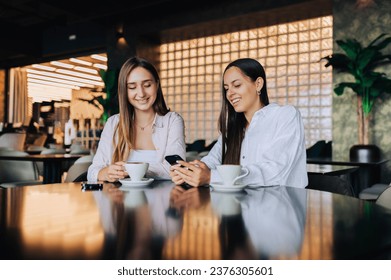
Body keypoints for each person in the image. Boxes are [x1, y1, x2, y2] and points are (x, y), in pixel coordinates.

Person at [170, 58, 308, 188]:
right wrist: (189, 172)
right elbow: (212, 160)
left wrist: (212, 177)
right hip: (240, 207)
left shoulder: (285, 115)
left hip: (281, 207)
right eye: (226, 88)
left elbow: (276, 171)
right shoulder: (233, 129)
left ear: (258, 84)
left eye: (237, 85)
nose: (230, 93)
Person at [88, 57, 186, 182]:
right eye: (132, 87)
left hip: (163, 199)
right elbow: (93, 171)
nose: (141, 93)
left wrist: (129, 170)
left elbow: (175, 170)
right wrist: (105, 173)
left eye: (147, 85)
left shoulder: (172, 121)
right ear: (124, 90)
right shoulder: (114, 123)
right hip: (120, 199)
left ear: (157, 84)